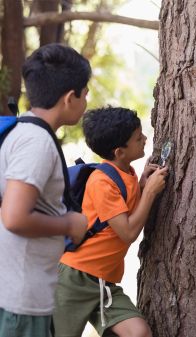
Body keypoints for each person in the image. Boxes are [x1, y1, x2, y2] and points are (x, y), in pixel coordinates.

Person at [53, 107, 168, 337]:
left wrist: (142, 186)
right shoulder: (101, 183)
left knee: (138, 332)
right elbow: (127, 232)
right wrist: (150, 194)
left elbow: (124, 211)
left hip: (103, 283)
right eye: (138, 138)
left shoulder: (127, 173)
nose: (145, 138)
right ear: (119, 152)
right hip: (74, 280)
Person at [0, 43, 90, 337]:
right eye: (85, 94)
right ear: (69, 98)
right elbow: (14, 217)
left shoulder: (20, 130)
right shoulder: (36, 142)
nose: (86, 101)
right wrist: (70, 223)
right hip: (20, 303)